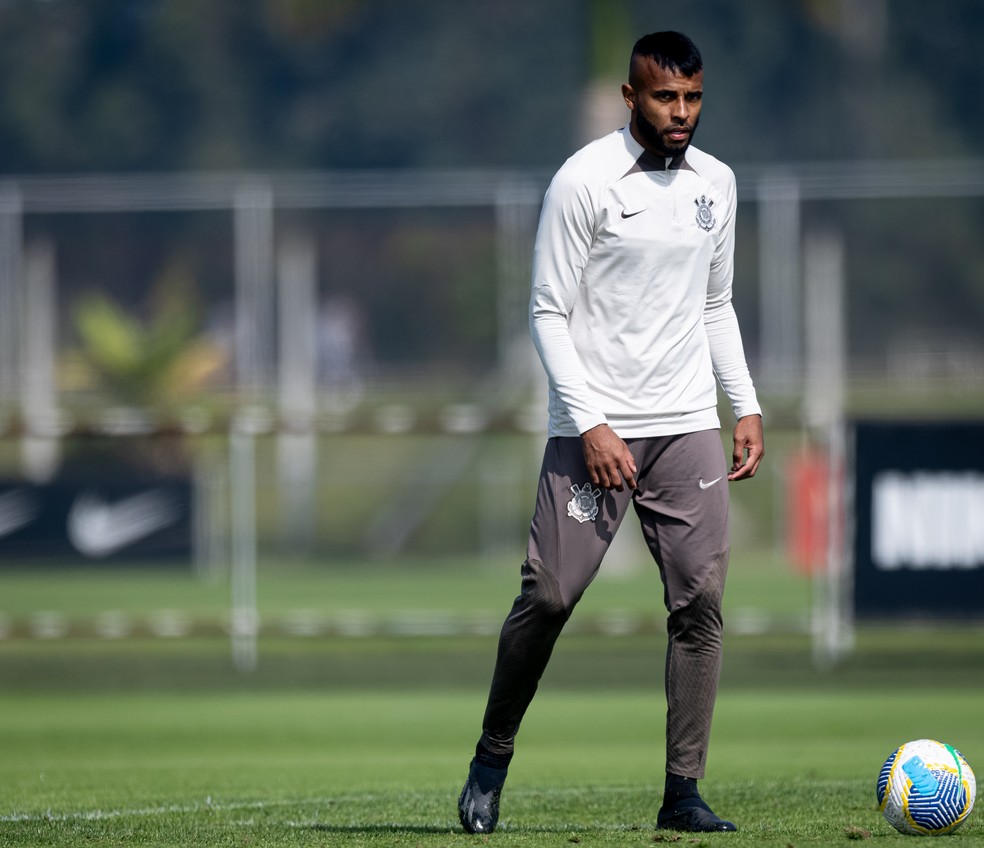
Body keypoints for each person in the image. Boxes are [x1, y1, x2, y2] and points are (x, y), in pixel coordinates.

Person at [457, 30, 764, 835]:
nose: (681, 113)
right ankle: (492, 757)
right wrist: (591, 422)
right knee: (550, 596)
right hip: (593, 432)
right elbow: (546, 311)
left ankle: (682, 793)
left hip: (689, 424)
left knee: (699, 606)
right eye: (666, 98)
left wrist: (746, 403)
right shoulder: (583, 182)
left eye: (693, 98)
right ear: (631, 97)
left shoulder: (717, 185)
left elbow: (714, 304)